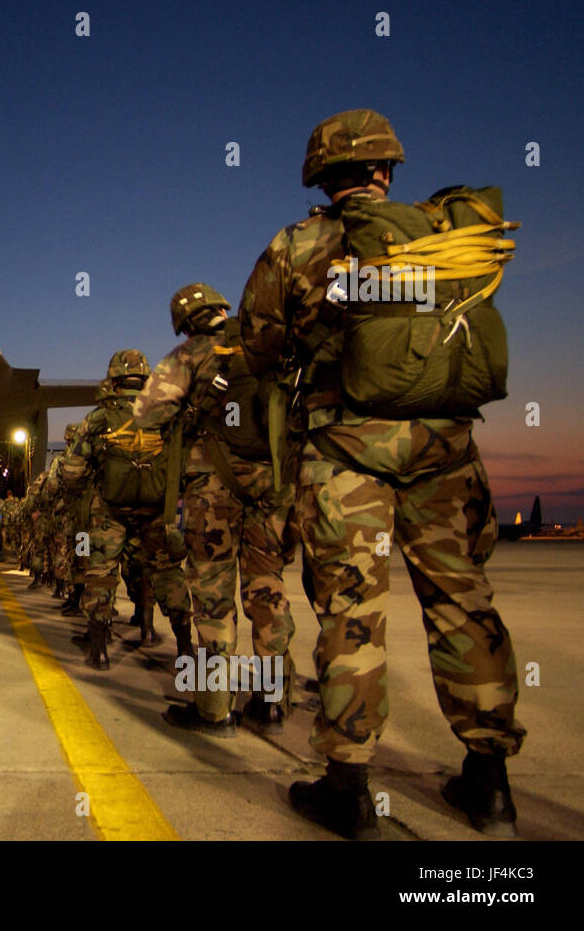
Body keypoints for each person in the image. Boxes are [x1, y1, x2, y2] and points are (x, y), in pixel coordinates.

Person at [239, 109, 525, 838]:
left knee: (353, 611)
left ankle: (350, 787)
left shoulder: (299, 244)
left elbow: (258, 345)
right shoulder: (435, 236)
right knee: (463, 600)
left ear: (322, 176)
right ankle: (490, 783)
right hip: (444, 447)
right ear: (387, 170)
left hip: (346, 449)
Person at [134, 283, 295, 737]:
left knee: (213, 597)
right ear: (221, 307)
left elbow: (145, 413)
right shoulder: (267, 343)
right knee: (268, 589)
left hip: (214, 488)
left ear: (185, 321)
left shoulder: (189, 356)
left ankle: (214, 710)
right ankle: (272, 700)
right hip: (273, 483)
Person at [63, 351, 192, 670]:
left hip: (110, 510)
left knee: (102, 575)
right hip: (156, 511)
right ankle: (186, 648)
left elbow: (72, 471)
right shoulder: (169, 416)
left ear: (114, 379)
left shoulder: (98, 417)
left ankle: (99, 651)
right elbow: (184, 463)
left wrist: (86, 491)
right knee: (167, 573)